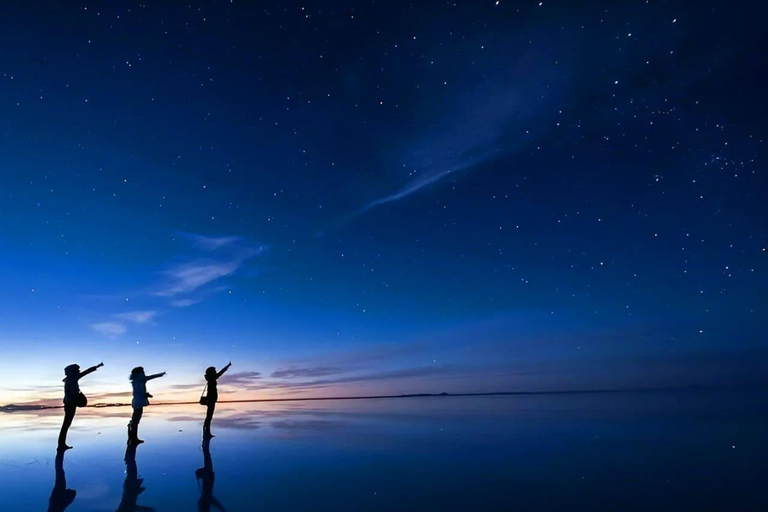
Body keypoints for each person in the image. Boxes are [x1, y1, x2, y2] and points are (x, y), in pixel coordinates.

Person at [57, 362, 104, 450]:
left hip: (69, 404)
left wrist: (97, 366)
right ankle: (61, 445)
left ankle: (61, 444)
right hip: (70, 404)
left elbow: (85, 372)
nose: (79, 371)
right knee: (66, 425)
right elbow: (85, 373)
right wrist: (97, 366)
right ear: (73, 372)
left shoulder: (70, 379)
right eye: (77, 370)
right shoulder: (72, 379)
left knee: (66, 425)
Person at [128, 367, 166, 445]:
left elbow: (149, 378)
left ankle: (132, 436)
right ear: (139, 373)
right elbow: (138, 392)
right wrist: (146, 394)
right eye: (142, 371)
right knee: (136, 420)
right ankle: (133, 438)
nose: (144, 373)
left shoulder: (137, 380)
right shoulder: (139, 380)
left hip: (137, 402)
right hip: (138, 402)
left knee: (135, 419)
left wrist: (161, 374)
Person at [202, 362, 231, 438]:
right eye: (214, 371)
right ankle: (206, 432)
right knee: (209, 416)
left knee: (208, 416)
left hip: (210, 398)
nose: (215, 372)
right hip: (211, 399)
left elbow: (220, 372)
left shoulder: (210, 378)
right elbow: (222, 372)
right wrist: (228, 366)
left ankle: (206, 431)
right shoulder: (212, 378)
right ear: (211, 372)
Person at [195, 438, 225, 511]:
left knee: (207, 456)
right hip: (209, 475)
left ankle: (205, 441)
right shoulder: (207, 498)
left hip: (208, 475)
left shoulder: (206, 498)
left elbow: (218, 505)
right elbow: (219, 506)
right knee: (207, 456)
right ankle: (205, 442)